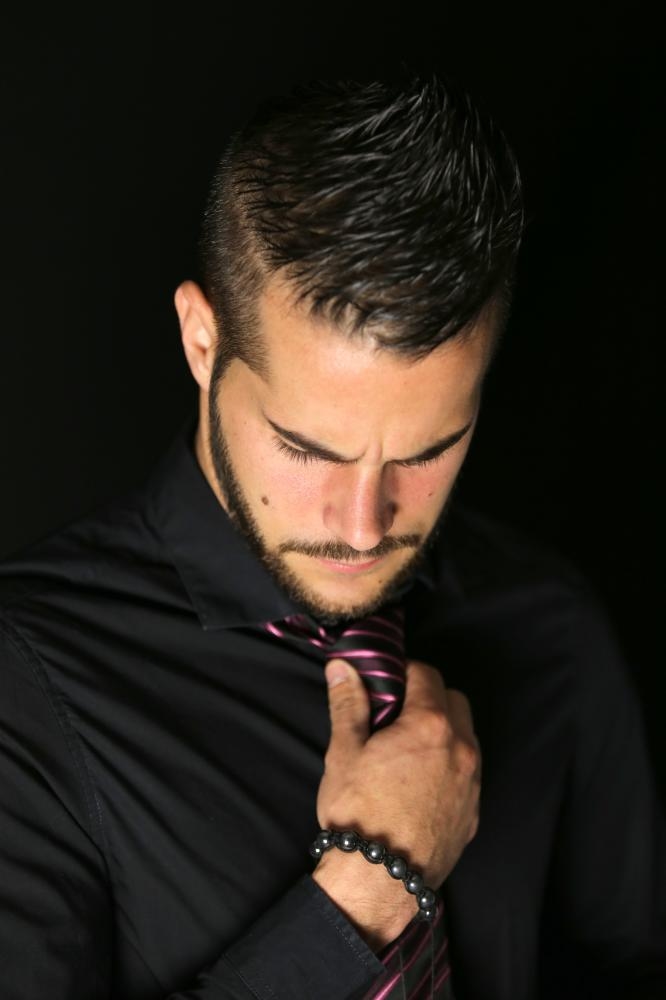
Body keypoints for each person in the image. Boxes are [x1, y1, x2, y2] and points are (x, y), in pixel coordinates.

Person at [0, 75, 664, 1000]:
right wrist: (370, 890)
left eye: (427, 451)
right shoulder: (22, 685)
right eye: (308, 449)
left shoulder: (549, 623)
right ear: (202, 342)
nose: (363, 524)